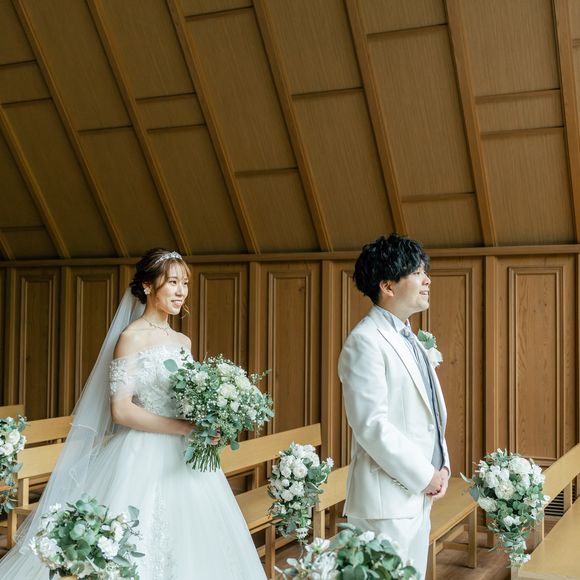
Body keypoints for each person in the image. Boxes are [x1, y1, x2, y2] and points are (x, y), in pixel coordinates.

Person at [0, 248, 266, 579]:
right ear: (147, 286)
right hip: (141, 452)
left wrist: (210, 418)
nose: (181, 291)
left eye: (185, 283)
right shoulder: (130, 338)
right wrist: (184, 428)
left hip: (186, 455)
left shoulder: (182, 341)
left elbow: (186, 398)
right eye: (172, 282)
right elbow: (121, 410)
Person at [338, 234, 450, 578]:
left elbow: (430, 414)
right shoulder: (365, 341)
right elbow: (371, 425)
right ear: (387, 286)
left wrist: (442, 466)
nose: (427, 280)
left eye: (424, 272)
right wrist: (425, 475)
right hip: (385, 503)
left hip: (416, 495)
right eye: (417, 273)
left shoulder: (410, 337)